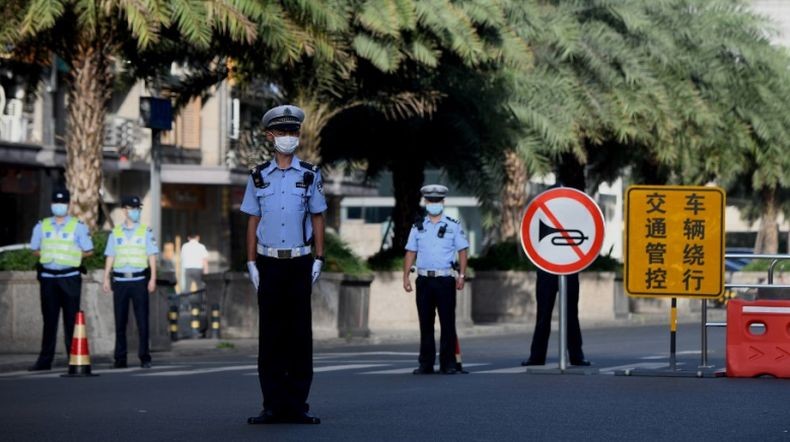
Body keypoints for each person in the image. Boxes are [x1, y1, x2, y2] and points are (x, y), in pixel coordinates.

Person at [242, 104, 326, 425]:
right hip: (269, 263)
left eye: (293, 132)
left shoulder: (310, 175)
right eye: (282, 132)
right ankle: (272, 405)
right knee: (271, 336)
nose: (288, 137)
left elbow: (317, 217)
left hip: (299, 262)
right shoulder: (258, 176)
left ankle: (297, 405)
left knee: (299, 335)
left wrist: (319, 257)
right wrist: (251, 262)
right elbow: (252, 220)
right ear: (270, 136)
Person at [403, 184, 469, 375]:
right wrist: (406, 276)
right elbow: (410, 252)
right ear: (425, 202)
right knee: (425, 323)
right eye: (430, 201)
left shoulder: (452, 225)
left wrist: (462, 275)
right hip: (424, 280)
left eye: (437, 201)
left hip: (445, 279)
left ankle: (448, 363)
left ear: (443, 202)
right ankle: (426, 363)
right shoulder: (418, 227)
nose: (433, 204)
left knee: (447, 323)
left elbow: (462, 251)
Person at [28, 188, 93, 371]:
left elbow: (88, 250)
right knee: (49, 320)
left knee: (71, 320)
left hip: (70, 278)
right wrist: (50, 256)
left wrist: (70, 256)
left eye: (63, 203)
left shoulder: (78, 226)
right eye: (56, 203)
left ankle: (73, 358)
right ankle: (44, 360)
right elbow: (34, 248)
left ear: (68, 205)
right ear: (51, 205)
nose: (59, 206)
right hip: (48, 278)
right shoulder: (42, 225)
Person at [102, 195, 158, 369]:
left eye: (138, 209)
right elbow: (110, 255)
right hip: (120, 281)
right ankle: (120, 358)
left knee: (142, 321)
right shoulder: (115, 232)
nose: (135, 212)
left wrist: (153, 278)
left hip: (139, 280)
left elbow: (152, 256)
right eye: (133, 209)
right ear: (124, 210)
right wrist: (105, 277)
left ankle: (144, 357)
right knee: (120, 322)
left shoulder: (145, 231)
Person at [522, 269, 591, 366]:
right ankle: (537, 357)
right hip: (547, 268)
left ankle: (576, 356)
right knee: (543, 315)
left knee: (571, 315)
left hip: (569, 268)